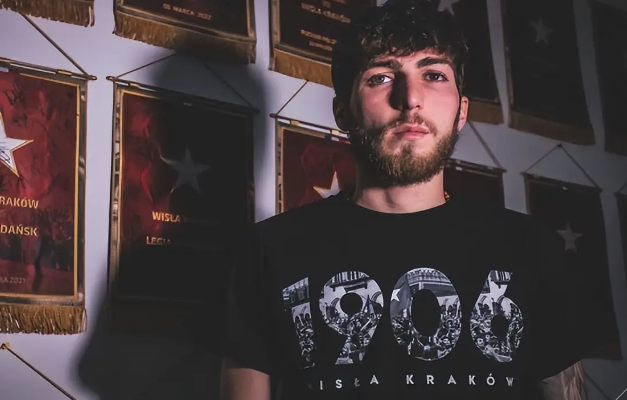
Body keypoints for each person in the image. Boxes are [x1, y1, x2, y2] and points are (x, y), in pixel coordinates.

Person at [219, 0, 613, 399]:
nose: (410, 99)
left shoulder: (530, 249)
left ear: (462, 112)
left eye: (434, 75)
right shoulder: (269, 251)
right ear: (343, 112)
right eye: (380, 78)